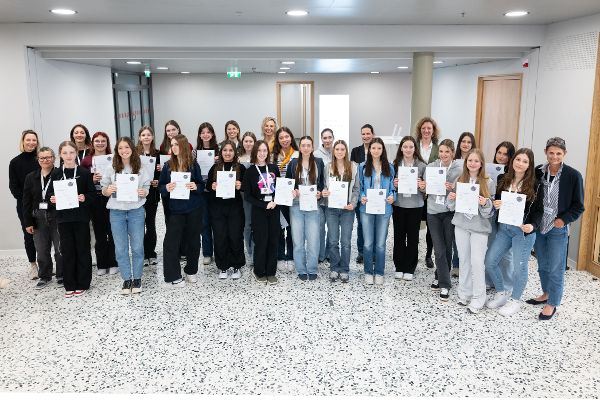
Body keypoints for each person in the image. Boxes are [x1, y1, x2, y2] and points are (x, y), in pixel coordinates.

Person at [529, 137, 584, 320]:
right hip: (539, 227)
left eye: (558, 153)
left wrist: (564, 219)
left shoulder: (573, 175)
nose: (554, 156)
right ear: (546, 152)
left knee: (556, 267)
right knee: (542, 264)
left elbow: (578, 206)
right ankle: (546, 293)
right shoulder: (538, 172)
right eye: (551, 152)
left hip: (557, 228)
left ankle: (552, 303)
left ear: (564, 154)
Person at [484, 148, 544, 316]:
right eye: (518, 159)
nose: (520, 163)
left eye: (525, 161)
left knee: (519, 268)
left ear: (529, 165)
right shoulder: (503, 178)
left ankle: (515, 300)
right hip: (504, 229)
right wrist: (496, 204)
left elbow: (539, 211)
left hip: (522, 233)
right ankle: (502, 293)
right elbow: (496, 200)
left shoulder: (536, 185)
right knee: (490, 261)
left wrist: (532, 225)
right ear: (512, 161)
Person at [446, 149, 495, 313]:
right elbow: (451, 207)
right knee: (464, 260)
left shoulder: (488, 182)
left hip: (479, 228)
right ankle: (464, 293)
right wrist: (451, 198)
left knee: (477, 262)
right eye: (470, 161)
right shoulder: (460, 180)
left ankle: (478, 297)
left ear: (481, 164)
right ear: (466, 163)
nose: (472, 163)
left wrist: (484, 203)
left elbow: (490, 212)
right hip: (461, 225)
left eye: (476, 161)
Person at [101, 138, 150, 295]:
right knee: (121, 248)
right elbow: (103, 189)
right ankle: (126, 278)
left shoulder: (141, 167)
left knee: (137, 247)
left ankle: (137, 278)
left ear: (132, 148)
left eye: (126, 147)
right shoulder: (111, 168)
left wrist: (144, 192)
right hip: (116, 212)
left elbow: (146, 188)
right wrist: (107, 190)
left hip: (136, 211)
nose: (124, 150)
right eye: (120, 148)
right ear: (117, 150)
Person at [49, 141, 96, 298]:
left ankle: (83, 283)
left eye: (71, 152)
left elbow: (92, 195)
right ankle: (70, 284)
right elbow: (50, 195)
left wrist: (84, 197)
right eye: (65, 153)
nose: (68, 156)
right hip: (63, 219)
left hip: (81, 218)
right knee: (67, 251)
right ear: (60, 155)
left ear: (76, 153)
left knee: (82, 250)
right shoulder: (55, 174)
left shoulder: (83, 173)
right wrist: (52, 199)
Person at [159, 134, 204, 287]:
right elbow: (161, 187)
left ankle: (191, 270)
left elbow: (201, 185)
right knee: (171, 243)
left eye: (177, 144)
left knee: (193, 241)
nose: (174, 147)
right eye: (172, 145)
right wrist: (166, 187)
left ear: (184, 146)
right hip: (176, 210)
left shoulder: (193, 165)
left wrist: (196, 186)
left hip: (193, 208)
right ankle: (173, 275)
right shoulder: (167, 166)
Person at [422, 139, 462, 301]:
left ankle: (439, 275)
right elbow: (424, 189)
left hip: (450, 212)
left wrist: (453, 188)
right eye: (441, 151)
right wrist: (422, 186)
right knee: (438, 249)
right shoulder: (431, 167)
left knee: (447, 248)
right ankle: (445, 285)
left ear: (452, 152)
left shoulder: (459, 169)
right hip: (433, 212)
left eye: (447, 151)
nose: (444, 154)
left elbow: (464, 191)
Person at [22, 147, 63, 288]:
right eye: (42, 158)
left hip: (56, 215)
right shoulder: (30, 177)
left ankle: (61, 274)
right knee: (41, 248)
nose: (46, 160)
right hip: (38, 217)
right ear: (38, 160)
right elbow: (26, 202)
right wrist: (27, 222)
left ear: (54, 158)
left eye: (48, 157)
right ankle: (45, 276)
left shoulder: (60, 174)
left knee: (60, 248)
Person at [206, 141, 246, 279]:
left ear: (235, 152)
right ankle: (222, 266)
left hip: (235, 208)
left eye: (230, 150)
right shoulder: (215, 167)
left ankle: (236, 266)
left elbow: (247, 187)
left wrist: (241, 185)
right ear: (221, 152)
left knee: (235, 236)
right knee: (220, 237)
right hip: (217, 208)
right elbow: (207, 186)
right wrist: (212, 186)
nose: (228, 153)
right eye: (225, 150)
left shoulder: (240, 168)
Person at [286, 135, 325, 281]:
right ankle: (301, 269)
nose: (306, 148)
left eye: (309, 145)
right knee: (298, 239)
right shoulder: (293, 163)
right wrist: (293, 191)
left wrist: (320, 193)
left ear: (312, 147)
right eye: (303, 145)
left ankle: (313, 268)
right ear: (300, 147)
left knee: (313, 239)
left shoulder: (319, 162)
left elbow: (322, 183)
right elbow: (290, 183)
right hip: (297, 204)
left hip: (313, 205)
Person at [242, 140, 280, 284]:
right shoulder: (250, 171)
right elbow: (248, 196)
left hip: (274, 209)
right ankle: (259, 271)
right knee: (261, 241)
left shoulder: (273, 168)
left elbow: (280, 188)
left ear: (268, 152)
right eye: (259, 151)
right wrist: (264, 205)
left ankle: (271, 272)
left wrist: (276, 200)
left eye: (264, 150)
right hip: (259, 211)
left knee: (273, 241)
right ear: (255, 153)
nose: (262, 153)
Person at [358, 137, 396, 285]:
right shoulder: (362, 167)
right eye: (373, 148)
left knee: (380, 243)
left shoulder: (390, 167)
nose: (376, 151)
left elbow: (393, 188)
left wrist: (393, 196)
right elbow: (360, 187)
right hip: (366, 208)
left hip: (384, 209)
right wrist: (362, 196)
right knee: (368, 243)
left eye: (379, 148)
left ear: (382, 150)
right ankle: (368, 271)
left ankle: (379, 272)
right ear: (369, 150)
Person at [321, 140, 359, 283]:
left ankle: (344, 269)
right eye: (337, 149)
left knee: (346, 242)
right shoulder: (327, 167)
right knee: (333, 240)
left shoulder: (353, 167)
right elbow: (324, 186)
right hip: (331, 209)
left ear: (346, 151)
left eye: (343, 149)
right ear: (334, 151)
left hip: (347, 210)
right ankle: (334, 268)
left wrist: (353, 203)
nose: (340, 151)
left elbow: (356, 189)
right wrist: (324, 192)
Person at [81, 131, 118, 276]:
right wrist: (92, 179)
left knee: (112, 231)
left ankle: (114, 262)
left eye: (103, 141)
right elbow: (82, 182)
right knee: (99, 232)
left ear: (107, 143)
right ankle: (102, 263)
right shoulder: (86, 161)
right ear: (92, 143)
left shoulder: (114, 159)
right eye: (97, 141)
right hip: (95, 199)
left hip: (110, 197)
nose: (100, 143)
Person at [392, 136, 427, 281]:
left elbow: (426, 190)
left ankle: (410, 267)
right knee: (399, 237)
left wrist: (422, 186)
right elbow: (389, 186)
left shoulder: (422, 166)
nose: (408, 149)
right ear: (401, 148)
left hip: (415, 206)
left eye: (411, 147)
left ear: (415, 149)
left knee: (413, 238)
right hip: (399, 205)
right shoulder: (394, 164)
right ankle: (399, 266)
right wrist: (393, 184)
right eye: (405, 147)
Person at [485, 141, 516, 290]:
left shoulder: (513, 174)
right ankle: (490, 280)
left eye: (505, 154)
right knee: (490, 247)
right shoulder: (488, 170)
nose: (502, 157)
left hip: (507, 216)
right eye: (499, 153)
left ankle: (507, 284)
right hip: (491, 213)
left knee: (506, 253)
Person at [9, 129, 39, 279]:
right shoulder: (15, 162)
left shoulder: (41, 159)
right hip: (24, 206)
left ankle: (46, 263)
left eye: (34, 140)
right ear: (23, 141)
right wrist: (28, 201)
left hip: (43, 205)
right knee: (29, 235)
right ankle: (33, 265)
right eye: (28, 140)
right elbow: (13, 187)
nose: (31, 143)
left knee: (46, 235)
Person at [450, 131, 477, 276]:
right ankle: (456, 264)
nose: (466, 144)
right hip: (456, 202)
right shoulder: (454, 161)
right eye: (463, 141)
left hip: (472, 204)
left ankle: (468, 266)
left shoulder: (476, 160)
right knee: (457, 235)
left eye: (469, 142)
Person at [272, 126, 299, 269]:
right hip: (278, 197)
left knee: (292, 227)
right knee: (279, 227)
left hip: (293, 197)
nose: (284, 140)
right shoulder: (273, 155)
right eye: (281, 137)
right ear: (278, 140)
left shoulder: (297, 154)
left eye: (286, 136)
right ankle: (281, 255)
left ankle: (291, 256)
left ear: (291, 137)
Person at [416, 117, 440, 270]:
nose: (426, 131)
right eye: (423, 128)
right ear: (420, 130)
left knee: (431, 227)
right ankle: (414, 253)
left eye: (429, 128)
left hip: (432, 194)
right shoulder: (414, 146)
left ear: (433, 131)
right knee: (414, 225)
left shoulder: (438, 148)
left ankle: (428, 255)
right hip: (415, 193)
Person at [350, 123, 375, 264]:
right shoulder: (355, 151)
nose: (365, 136)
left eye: (368, 133)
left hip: (375, 194)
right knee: (361, 224)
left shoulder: (377, 149)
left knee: (373, 224)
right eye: (363, 134)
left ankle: (372, 251)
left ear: (372, 134)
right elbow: (353, 172)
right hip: (361, 193)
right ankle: (361, 252)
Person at [136, 125, 161, 266]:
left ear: (152, 137)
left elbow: (162, 175)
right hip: (138, 193)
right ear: (140, 137)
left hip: (152, 193)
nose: (146, 137)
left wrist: (158, 178)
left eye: (148, 135)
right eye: (143, 135)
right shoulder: (134, 153)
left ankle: (151, 252)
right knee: (139, 225)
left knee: (150, 224)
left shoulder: (158, 154)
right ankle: (142, 254)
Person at [196, 122, 219, 265]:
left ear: (212, 134)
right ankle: (207, 253)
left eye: (208, 132)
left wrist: (218, 160)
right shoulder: (195, 152)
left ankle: (219, 251)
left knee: (217, 222)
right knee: (204, 223)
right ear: (199, 135)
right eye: (203, 132)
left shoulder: (219, 150)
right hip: (201, 192)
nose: (205, 134)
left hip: (216, 191)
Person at [314, 128, 334, 263]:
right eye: (324, 138)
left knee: (332, 228)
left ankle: (329, 253)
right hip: (320, 198)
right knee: (320, 227)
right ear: (321, 139)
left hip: (334, 198)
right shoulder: (316, 154)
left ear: (333, 138)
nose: (327, 140)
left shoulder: (338, 151)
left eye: (329, 137)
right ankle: (320, 255)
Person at [239, 131, 257, 260]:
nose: (248, 143)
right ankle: (250, 252)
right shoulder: (238, 158)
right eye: (246, 141)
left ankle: (258, 249)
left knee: (257, 223)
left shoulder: (260, 157)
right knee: (247, 224)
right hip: (243, 196)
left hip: (258, 195)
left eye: (251, 141)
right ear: (242, 143)